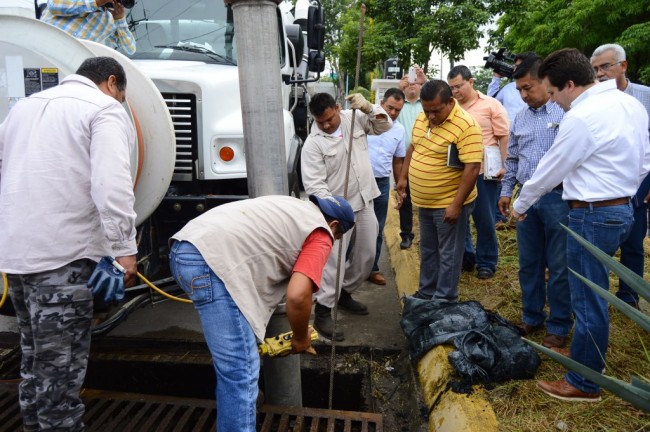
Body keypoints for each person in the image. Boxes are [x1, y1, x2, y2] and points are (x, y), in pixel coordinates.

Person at [0, 56, 137, 432]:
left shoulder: (22, 108)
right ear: (112, 82)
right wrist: (125, 249)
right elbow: (112, 185)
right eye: (122, 95)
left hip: (17, 257)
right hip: (64, 259)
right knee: (60, 376)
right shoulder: (104, 109)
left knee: (34, 366)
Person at [511, 48, 650, 402]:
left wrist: (521, 205)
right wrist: (624, 190)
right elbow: (645, 159)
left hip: (591, 214)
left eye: (555, 94)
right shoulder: (628, 104)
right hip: (622, 210)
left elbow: (550, 169)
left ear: (570, 85)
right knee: (596, 292)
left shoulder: (582, 116)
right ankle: (588, 353)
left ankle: (585, 383)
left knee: (588, 298)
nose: (554, 103)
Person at [169, 194, 354, 431]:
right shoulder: (321, 232)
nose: (333, 241)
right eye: (337, 237)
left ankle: (244, 406)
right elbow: (298, 297)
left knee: (238, 362)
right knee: (241, 371)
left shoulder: (295, 207)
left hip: (183, 249)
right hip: (209, 263)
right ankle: (241, 413)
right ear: (334, 226)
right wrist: (299, 338)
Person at [301, 92, 391, 341]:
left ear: (338, 108)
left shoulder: (354, 118)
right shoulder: (313, 144)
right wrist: (335, 209)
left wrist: (369, 108)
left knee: (368, 254)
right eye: (321, 122)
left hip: (364, 199)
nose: (327, 125)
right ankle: (323, 310)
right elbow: (315, 186)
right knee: (333, 263)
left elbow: (384, 125)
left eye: (330, 119)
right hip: (337, 211)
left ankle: (344, 292)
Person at [498, 55, 572, 350]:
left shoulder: (566, 113)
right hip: (525, 201)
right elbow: (513, 158)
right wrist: (506, 192)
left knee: (559, 265)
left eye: (528, 88)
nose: (524, 95)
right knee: (529, 263)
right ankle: (532, 315)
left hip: (558, 198)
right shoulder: (521, 117)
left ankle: (559, 324)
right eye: (519, 91)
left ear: (545, 81)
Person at [396, 80, 483, 301]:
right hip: (425, 202)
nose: (431, 116)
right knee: (428, 250)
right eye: (427, 111)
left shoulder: (467, 125)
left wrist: (456, 205)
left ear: (450, 102)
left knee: (448, 254)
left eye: (436, 110)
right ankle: (426, 293)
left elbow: (472, 168)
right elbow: (413, 146)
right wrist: (403, 177)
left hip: (449, 203)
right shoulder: (422, 118)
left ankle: (444, 299)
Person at [591, 43, 650, 309]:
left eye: (606, 66)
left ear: (623, 66)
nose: (600, 73)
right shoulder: (593, 99)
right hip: (604, 180)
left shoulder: (645, 96)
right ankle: (597, 296)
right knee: (598, 242)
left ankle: (629, 296)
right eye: (595, 69)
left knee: (634, 240)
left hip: (640, 178)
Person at [447, 65, 509, 279]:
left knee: (485, 219)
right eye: (452, 88)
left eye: (458, 86)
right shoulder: (451, 107)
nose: (455, 92)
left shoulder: (491, 105)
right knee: (459, 217)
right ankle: (467, 257)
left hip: (484, 172)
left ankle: (487, 262)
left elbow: (502, 136)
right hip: (457, 172)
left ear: (471, 82)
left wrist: (504, 165)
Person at [367, 88, 406, 285]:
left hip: (382, 183)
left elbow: (398, 161)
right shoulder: (365, 120)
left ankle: (372, 269)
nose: (392, 113)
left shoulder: (399, 130)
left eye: (397, 110)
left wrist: (400, 186)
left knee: (377, 227)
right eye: (390, 107)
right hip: (361, 182)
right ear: (381, 103)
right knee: (352, 226)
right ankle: (347, 269)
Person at [396, 66, 427, 249]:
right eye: (408, 83)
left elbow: (443, 96)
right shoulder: (399, 106)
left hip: (425, 157)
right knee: (404, 197)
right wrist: (398, 89)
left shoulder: (427, 103)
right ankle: (406, 234)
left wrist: (425, 79)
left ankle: (428, 236)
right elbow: (384, 111)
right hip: (402, 159)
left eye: (416, 82)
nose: (412, 86)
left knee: (427, 197)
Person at [41, 0, 136, 55]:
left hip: (69, 66)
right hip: (41, 49)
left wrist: (120, 20)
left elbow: (130, 49)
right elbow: (54, 6)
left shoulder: (110, 20)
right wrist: (96, 2)